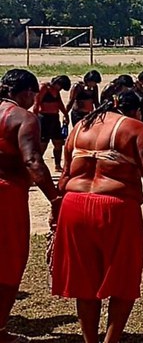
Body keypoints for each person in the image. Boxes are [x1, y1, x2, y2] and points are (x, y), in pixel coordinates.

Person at [52, 90, 143, 343]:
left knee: (85, 283)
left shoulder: (80, 127)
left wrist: (55, 215)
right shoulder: (136, 128)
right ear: (136, 110)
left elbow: (65, 176)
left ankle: (90, 340)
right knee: (123, 278)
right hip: (116, 208)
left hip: (74, 205)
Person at [0, 69, 59, 343]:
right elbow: (32, 161)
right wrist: (55, 197)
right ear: (26, 92)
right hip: (7, 193)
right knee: (11, 260)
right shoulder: (23, 118)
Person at [34, 75, 71, 172]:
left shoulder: (56, 91)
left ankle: (57, 165)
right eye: (61, 87)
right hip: (44, 118)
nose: (61, 89)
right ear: (57, 83)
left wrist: (66, 115)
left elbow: (60, 103)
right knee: (43, 144)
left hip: (54, 118)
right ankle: (37, 166)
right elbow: (36, 103)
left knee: (58, 142)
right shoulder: (44, 88)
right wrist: (34, 118)